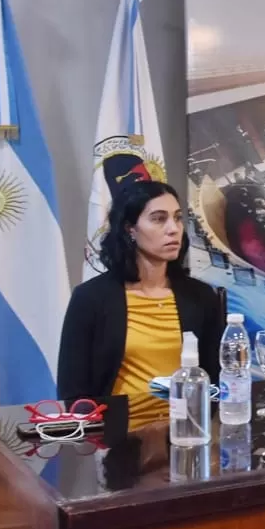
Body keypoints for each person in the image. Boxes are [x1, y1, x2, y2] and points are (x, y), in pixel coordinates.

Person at [58, 181, 223, 430]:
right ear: (130, 229)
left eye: (178, 219)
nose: (173, 229)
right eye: (158, 219)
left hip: (188, 434)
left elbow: (218, 382)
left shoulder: (200, 296)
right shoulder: (91, 298)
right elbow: (74, 393)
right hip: (120, 440)